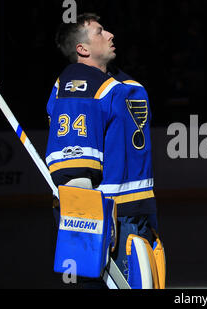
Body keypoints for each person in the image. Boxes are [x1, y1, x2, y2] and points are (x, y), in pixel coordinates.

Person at [46, 13, 159, 288]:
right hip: (111, 219)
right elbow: (75, 169)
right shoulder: (79, 87)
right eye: (99, 32)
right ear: (82, 49)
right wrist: (93, 224)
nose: (110, 35)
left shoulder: (116, 82)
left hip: (135, 212)